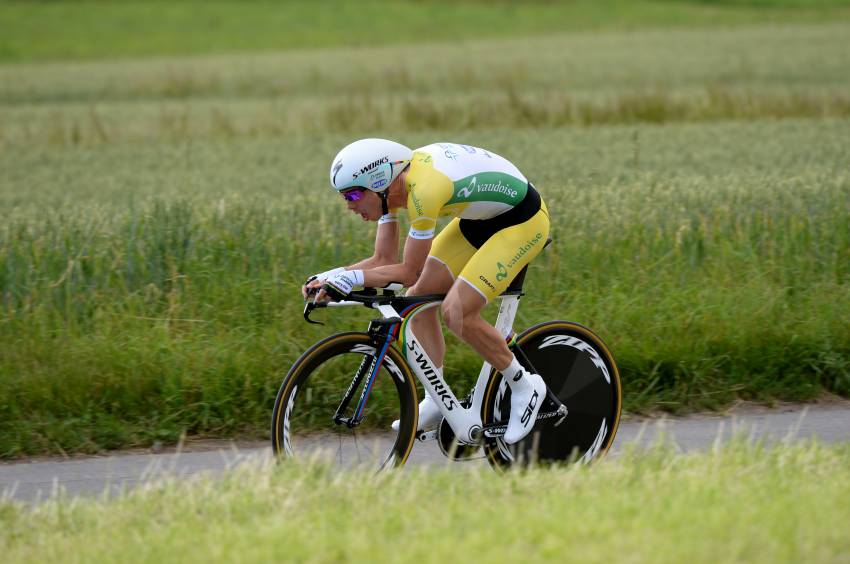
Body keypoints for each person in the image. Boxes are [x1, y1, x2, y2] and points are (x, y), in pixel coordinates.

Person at [302, 139, 550, 444]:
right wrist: (332, 277)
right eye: (344, 197)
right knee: (417, 299)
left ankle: (525, 385)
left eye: (353, 194)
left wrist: (348, 279)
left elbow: (408, 270)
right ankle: (437, 397)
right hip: (480, 222)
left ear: (379, 181)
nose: (349, 205)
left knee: (457, 311)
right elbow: (383, 261)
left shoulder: (423, 192)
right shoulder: (391, 191)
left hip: (522, 222)